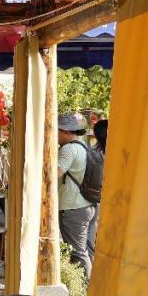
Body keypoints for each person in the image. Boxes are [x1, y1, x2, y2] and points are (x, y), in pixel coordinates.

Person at [57, 113, 94, 280]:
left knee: (78, 253)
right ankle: (87, 287)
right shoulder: (83, 147)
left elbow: (55, 173)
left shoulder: (68, 149)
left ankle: (84, 289)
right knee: (85, 250)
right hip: (86, 205)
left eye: (56, 131)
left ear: (65, 131)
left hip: (73, 207)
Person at [87, 118, 108, 258]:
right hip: (113, 199)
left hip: (95, 198)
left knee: (92, 236)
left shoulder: (92, 152)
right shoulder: (119, 151)